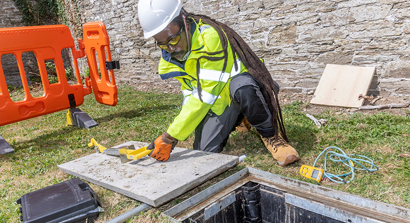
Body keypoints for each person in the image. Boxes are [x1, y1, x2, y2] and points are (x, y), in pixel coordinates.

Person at [137, 0, 300, 166]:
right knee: (204, 151)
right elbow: (190, 93)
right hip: (219, 98)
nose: (170, 49)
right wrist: (177, 132)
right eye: (162, 44)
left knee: (244, 90)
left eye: (173, 40)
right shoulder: (170, 60)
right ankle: (242, 116)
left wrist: (170, 136)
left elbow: (205, 95)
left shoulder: (210, 38)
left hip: (240, 85)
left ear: (184, 22)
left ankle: (271, 136)